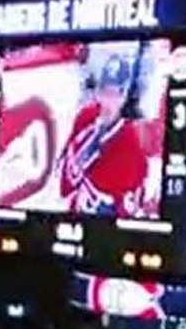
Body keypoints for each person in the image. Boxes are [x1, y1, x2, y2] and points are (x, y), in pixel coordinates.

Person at [59, 54, 149, 217]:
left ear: (124, 97)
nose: (108, 102)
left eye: (115, 94)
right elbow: (64, 176)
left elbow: (99, 206)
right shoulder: (86, 116)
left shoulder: (129, 143)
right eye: (104, 92)